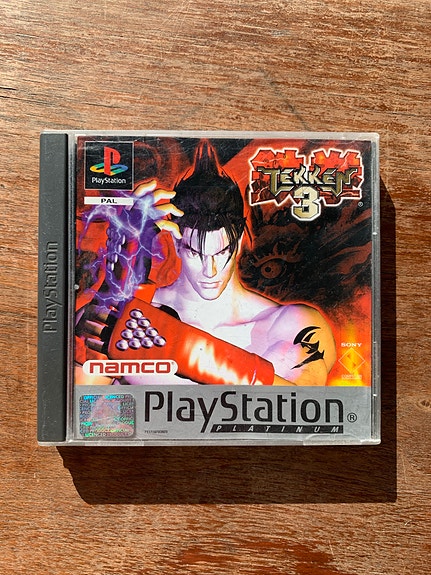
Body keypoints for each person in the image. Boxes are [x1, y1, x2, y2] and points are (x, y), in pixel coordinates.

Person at [82, 141, 336, 386]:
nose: (210, 270)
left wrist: (190, 353)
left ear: (239, 242)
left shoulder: (292, 323)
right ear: (177, 242)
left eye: (221, 252)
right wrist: (115, 289)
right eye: (196, 253)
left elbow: (306, 400)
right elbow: (86, 408)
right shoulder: (128, 318)